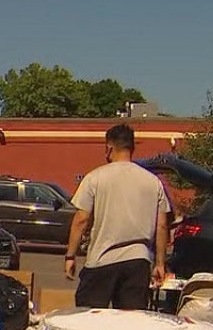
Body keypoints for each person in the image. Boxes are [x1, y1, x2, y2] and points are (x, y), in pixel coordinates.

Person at [65, 123, 170, 309]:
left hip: (102, 259)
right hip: (139, 261)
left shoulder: (95, 178)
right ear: (132, 148)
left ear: (109, 148)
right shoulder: (153, 182)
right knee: (129, 323)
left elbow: (81, 220)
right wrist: (160, 263)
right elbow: (162, 226)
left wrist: (70, 256)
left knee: (89, 319)